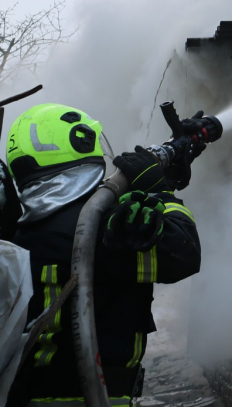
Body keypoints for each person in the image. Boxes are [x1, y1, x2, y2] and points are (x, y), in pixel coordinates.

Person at [3, 103, 201, 406]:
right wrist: (162, 192)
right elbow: (183, 254)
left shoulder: (23, 231)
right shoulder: (99, 228)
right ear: (83, 143)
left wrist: (167, 179)